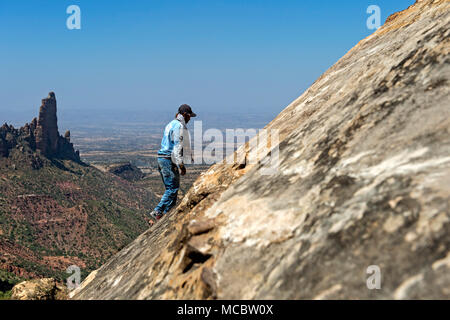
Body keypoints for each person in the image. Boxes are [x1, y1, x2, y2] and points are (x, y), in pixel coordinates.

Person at [148, 104, 196, 223]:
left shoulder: (171, 124)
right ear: (185, 115)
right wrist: (181, 165)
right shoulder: (179, 126)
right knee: (172, 189)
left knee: (172, 191)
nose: (190, 119)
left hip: (162, 158)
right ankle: (157, 211)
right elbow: (177, 147)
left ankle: (165, 215)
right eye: (189, 116)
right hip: (168, 159)